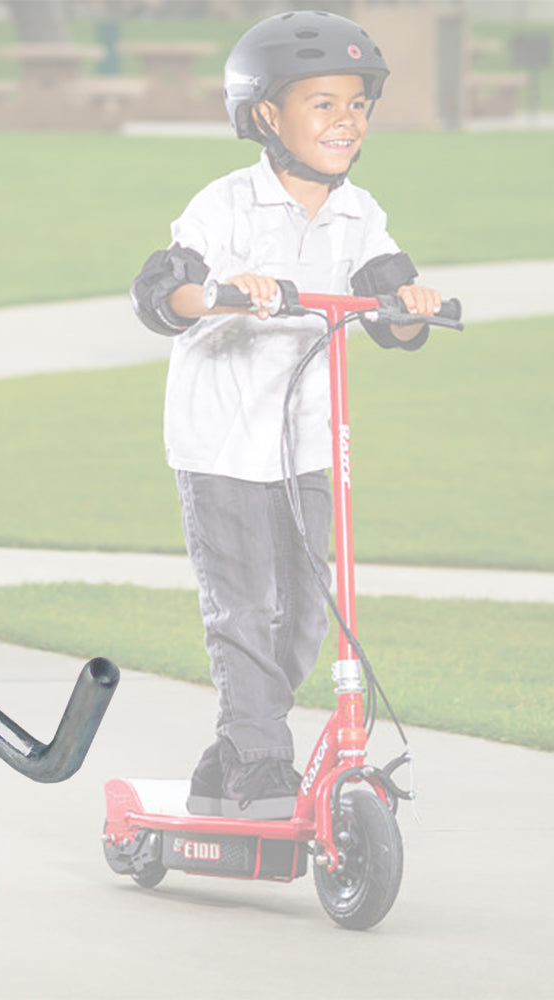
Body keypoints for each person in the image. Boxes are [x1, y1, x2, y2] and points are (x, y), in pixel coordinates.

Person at [129, 10, 443, 819]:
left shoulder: (358, 215)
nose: (347, 121)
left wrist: (409, 304)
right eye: (324, 104)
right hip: (222, 439)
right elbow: (166, 291)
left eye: (358, 105)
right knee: (244, 604)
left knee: (308, 613)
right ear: (267, 115)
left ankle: (234, 746)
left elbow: (393, 316)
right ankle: (262, 760)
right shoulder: (227, 206)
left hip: (307, 441)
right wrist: (230, 292)